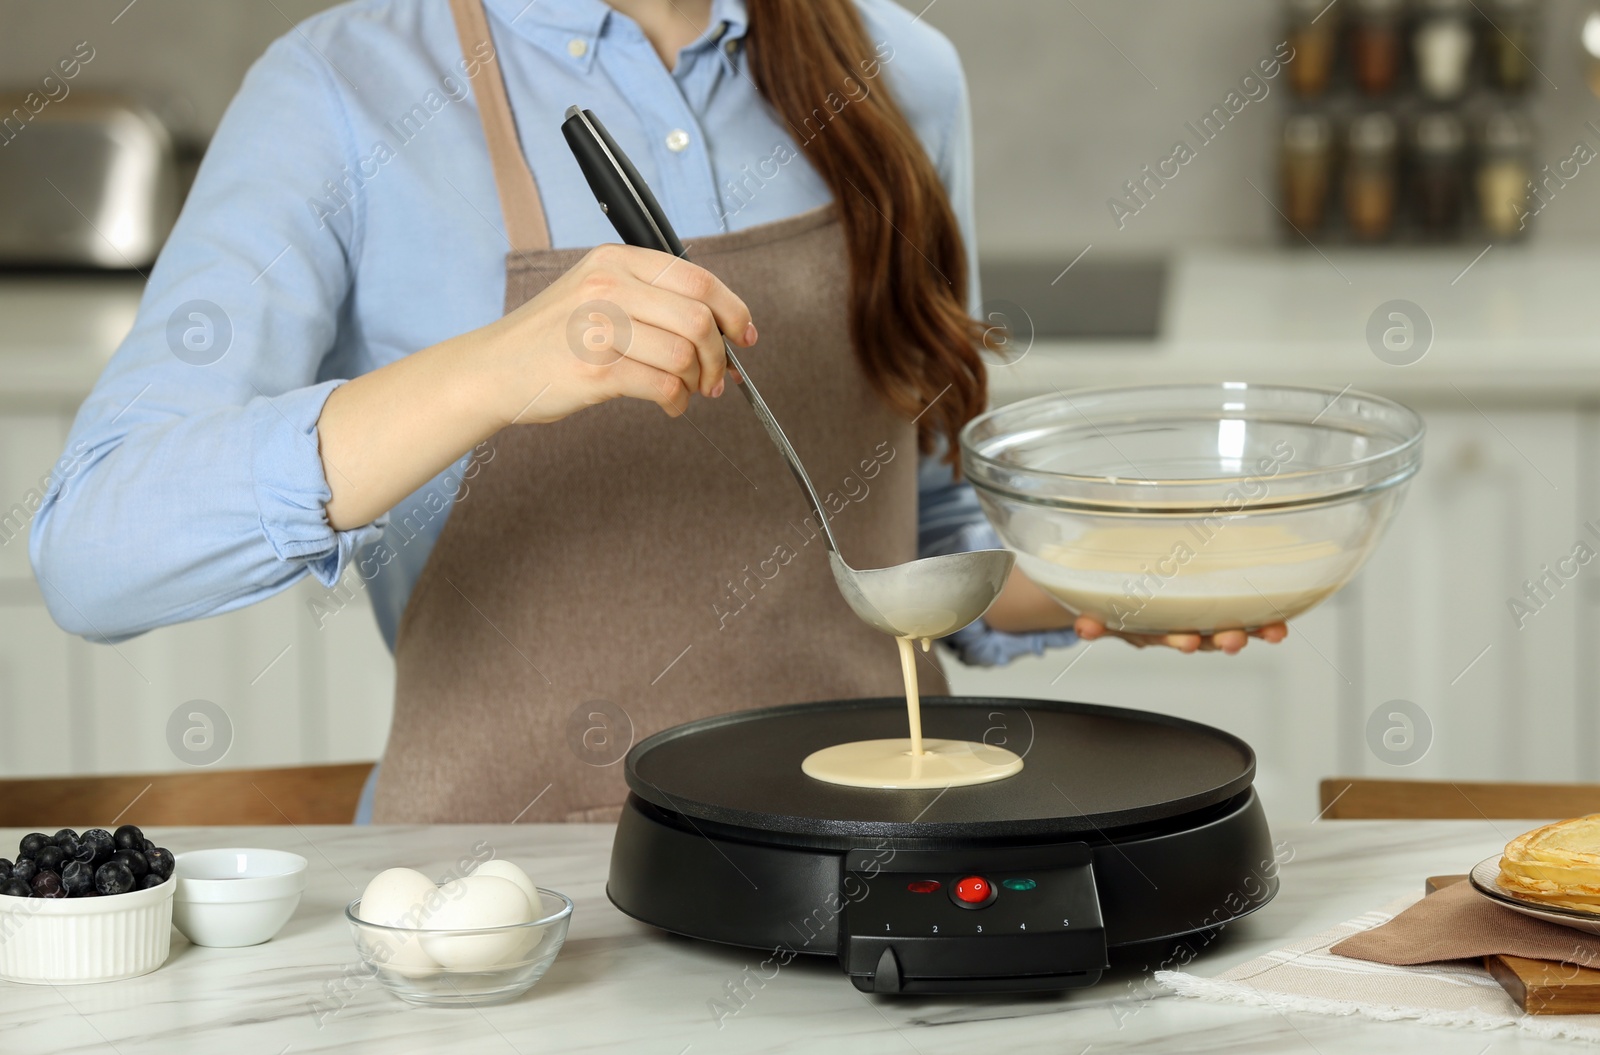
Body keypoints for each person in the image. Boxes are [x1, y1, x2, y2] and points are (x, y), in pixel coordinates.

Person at [30, 0, 1284, 824]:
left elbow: (900, 538)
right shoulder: (343, 93)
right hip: (503, 917)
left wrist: (1117, 577)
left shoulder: (901, 73)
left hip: (870, 883)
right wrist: (494, 371)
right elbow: (94, 550)